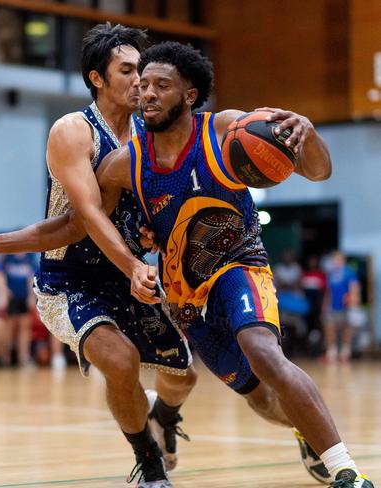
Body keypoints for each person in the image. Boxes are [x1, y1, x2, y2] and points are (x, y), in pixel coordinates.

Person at [61, 42, 370, 488]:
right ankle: (307, 432)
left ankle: (346, 470)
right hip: (186, 297)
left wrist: (308, 132)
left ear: (189, 95)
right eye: (142, 84)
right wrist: (0, 242)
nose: (147, 93)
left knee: (264, 352)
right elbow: (83, 222)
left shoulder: (227, 129)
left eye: (161, 85)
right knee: (261, 399)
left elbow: (318, 172)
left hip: (239, 263)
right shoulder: (124, 162)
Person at [0, 24, 196, 488]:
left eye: (143, 70)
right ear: (97, 78)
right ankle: (150, 465)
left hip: (129, 273)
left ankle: (163, 416)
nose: (140, 80)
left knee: (182, 377)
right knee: (120, 362)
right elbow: (82, 221)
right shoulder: (73, 131)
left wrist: (153, 235)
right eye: (127, 70)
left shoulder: (149, 130)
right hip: (72, 278)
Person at [0, 253, 36, 367]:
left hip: (24, 296)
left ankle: (23, 357)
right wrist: (4, 291)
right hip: (11, 297)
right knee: (9, 327)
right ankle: (6, 357)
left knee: (25, 327)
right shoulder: (7, 256)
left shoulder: (30, 257)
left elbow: (32, 278)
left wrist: (31, 296)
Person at [324, 251, 360, 364]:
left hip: (345, 306)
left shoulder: (349, 272)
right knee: (329, 327)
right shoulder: (332, 273)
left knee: (346, 329)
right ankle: (332, 352)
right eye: (334, 259)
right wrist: (325, 305)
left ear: (342, 259)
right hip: (333, 306)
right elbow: (329, 291)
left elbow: (354, 287)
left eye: (337, 259)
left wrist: (353, 299)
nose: (335, 261)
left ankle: (345, 353)